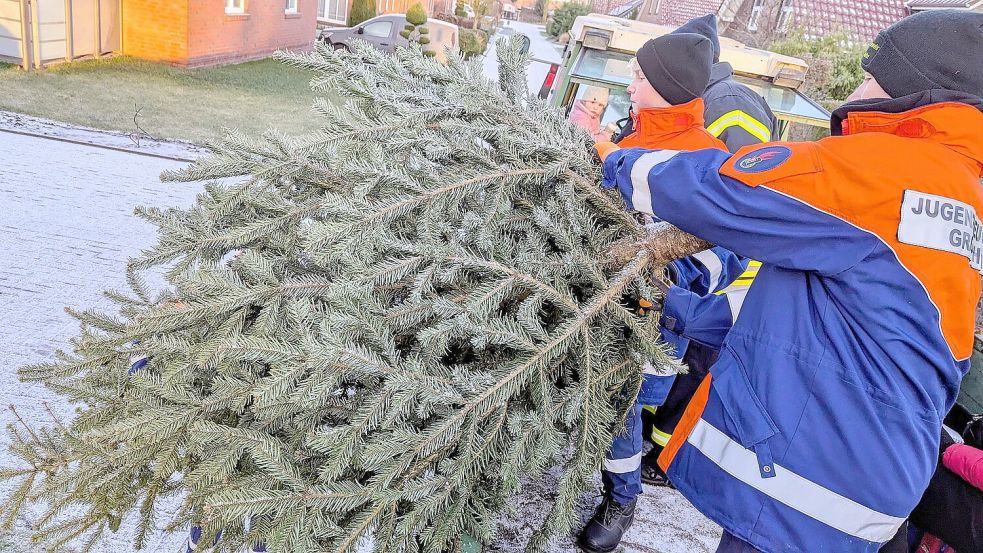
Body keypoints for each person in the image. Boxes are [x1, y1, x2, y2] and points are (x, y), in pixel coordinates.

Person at [596, 9, 983, 553]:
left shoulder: (886, 169)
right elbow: (834, 319)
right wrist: (684, 311)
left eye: (872, 76)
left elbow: (725, 190)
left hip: (816, 472)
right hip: (867, 470)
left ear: (914, 92)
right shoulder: (959, 192)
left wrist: (612, 161)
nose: (855, 88)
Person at [577, 26, 728, 553]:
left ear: (665, 85)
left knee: (622, 410)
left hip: (654, 321)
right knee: (592, 396)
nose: (630, 82)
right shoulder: (630, 141)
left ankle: (621, 497)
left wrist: (666, 279)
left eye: (640, 76)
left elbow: (723, 253)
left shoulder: (707, 160)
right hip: (595, 305)